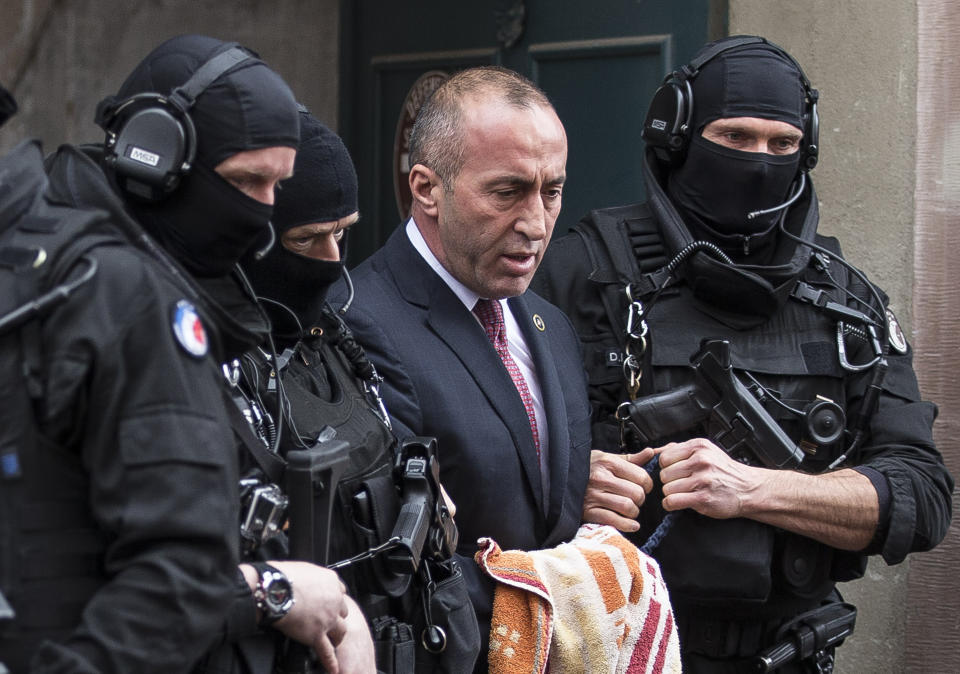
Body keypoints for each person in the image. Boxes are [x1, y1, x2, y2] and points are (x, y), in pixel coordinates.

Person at [531, 35, 954, 672]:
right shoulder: (576, 274)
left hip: (787, 651)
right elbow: (475, 453)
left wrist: (755, 490)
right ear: (677, 137)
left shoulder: (847, 300)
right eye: (734, 137)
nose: (760, 161)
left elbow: (922, 496)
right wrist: (568, 488)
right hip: (618, 647)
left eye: (782, 144)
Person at [0, 34, 360, 673]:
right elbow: (177, 578)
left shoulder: (79, 276)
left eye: (278, 184)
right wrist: (269, 591)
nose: (265, 215)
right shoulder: (119, 295)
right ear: (154, 155)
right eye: (250, 180)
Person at [331, 66, 593, 671]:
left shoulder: (550, 325)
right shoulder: (356, 321)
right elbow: (393, 563)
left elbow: (545, 511)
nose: (536, 222)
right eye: (507, 192)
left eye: (551, 191)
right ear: (426, 188)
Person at [235, 108, 477, 673]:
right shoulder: (220, 369)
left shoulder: (333, 335)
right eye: (308, 239)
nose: (333, 260)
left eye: (342, 233)